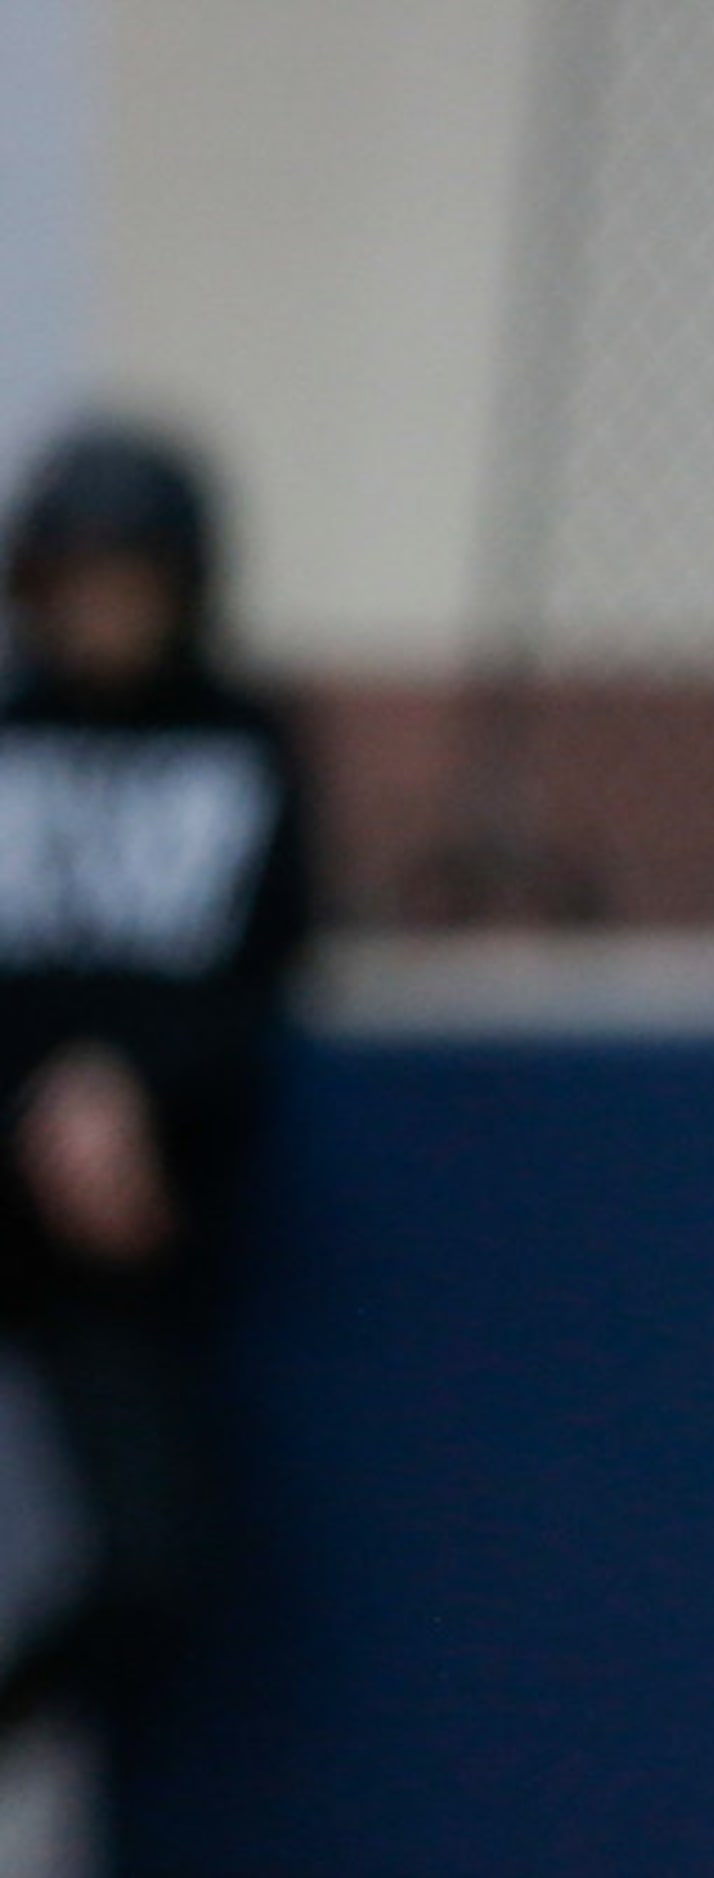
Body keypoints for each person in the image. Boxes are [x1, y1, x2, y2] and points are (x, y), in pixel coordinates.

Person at [0, 417, 314, 1874]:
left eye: (133, 576)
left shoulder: (243, 742)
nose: (105, 609)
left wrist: (129, 1093)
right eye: (79, 578)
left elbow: (254, 980)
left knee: (151, 1563)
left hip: (125, 1247)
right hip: (20, 1178)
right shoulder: (9, 736)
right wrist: (47, 1094)